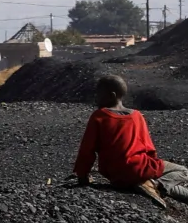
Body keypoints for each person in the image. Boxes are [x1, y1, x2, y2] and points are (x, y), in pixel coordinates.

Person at [70, 75, 175, 210]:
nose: (96, 98)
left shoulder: (99, 116)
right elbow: (149, 147)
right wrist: (150, 170)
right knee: (182, 171)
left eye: (99, 95)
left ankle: (151, 185)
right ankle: (153, 184)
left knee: (176, 179)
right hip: (137, 169)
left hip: (114, 174)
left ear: (112, 95)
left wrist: (82, 175)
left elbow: (87, 149)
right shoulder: (137, 116)